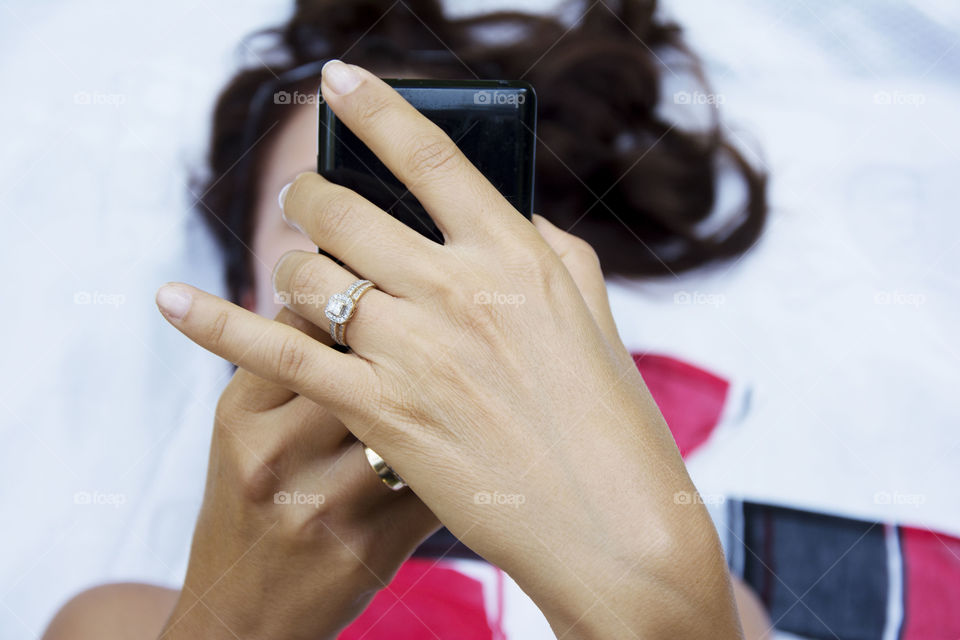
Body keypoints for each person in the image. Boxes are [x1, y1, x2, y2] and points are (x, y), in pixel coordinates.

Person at [44, 1, 771, 638]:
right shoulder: (119, 623)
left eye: (429, 229)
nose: (386, 268)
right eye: (325, 217)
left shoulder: (695, 600)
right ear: (242, 292)